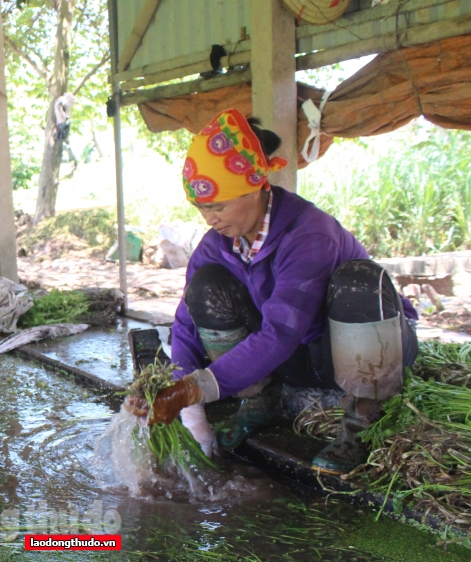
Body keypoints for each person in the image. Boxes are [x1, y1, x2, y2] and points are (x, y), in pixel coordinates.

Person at [125, 109, 418, 474]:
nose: (209, 219)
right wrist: (188, 407)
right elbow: (185, 325)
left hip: (351, 350)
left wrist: (193, 389)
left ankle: (361, 426)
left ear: (257, 187)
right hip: (294, 358)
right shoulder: (216, 244)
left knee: (357, 280)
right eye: (201, 208)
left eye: (217, 206)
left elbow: (281, 330)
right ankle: (260, 401)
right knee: (205, 287)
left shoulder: (309, 233)